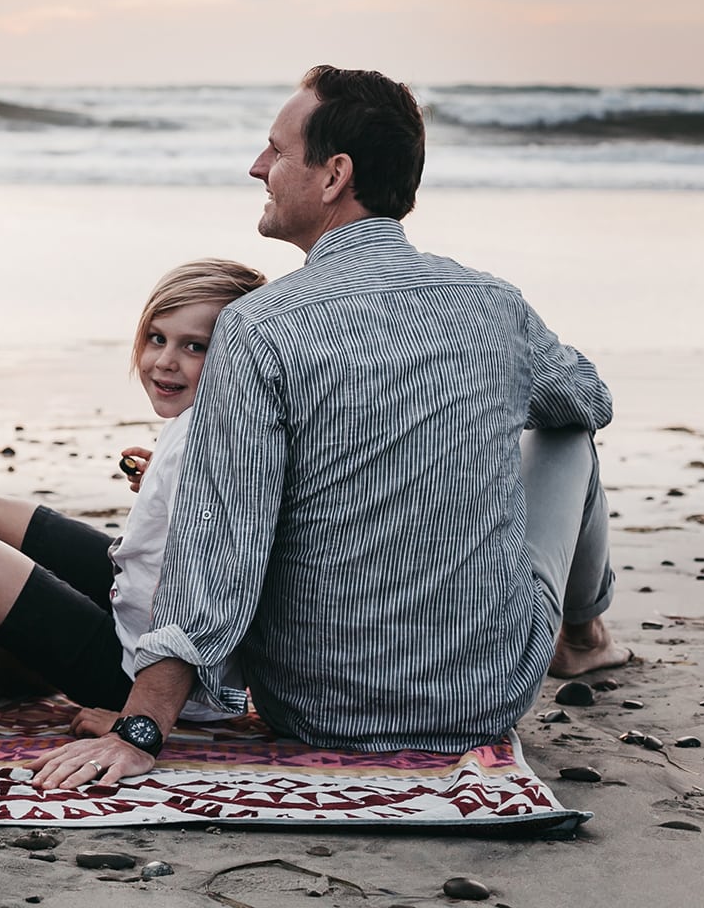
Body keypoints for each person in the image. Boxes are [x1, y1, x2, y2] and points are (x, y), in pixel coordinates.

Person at [33, 64, 630, 790]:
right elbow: (588, 401)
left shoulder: (258, 326)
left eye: (277, 151)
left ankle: (581, 634)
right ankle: (583, 634)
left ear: (333, 175)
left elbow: (218, 543)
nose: (258, 166)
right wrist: (463, 403)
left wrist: (142, 727)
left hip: (314, 705)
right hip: (483, 696)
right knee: (567, 432)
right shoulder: (493, 307)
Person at [0, 259, 266, 728]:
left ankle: (15, 667)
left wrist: (143, 717)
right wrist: (158, 481)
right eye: (157, 338)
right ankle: (26, 665)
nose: (165, 361)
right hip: (131, 602)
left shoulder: (210, 446)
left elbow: (211, 586)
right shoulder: (203, 418)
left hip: (149, 673)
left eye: (195, 346)